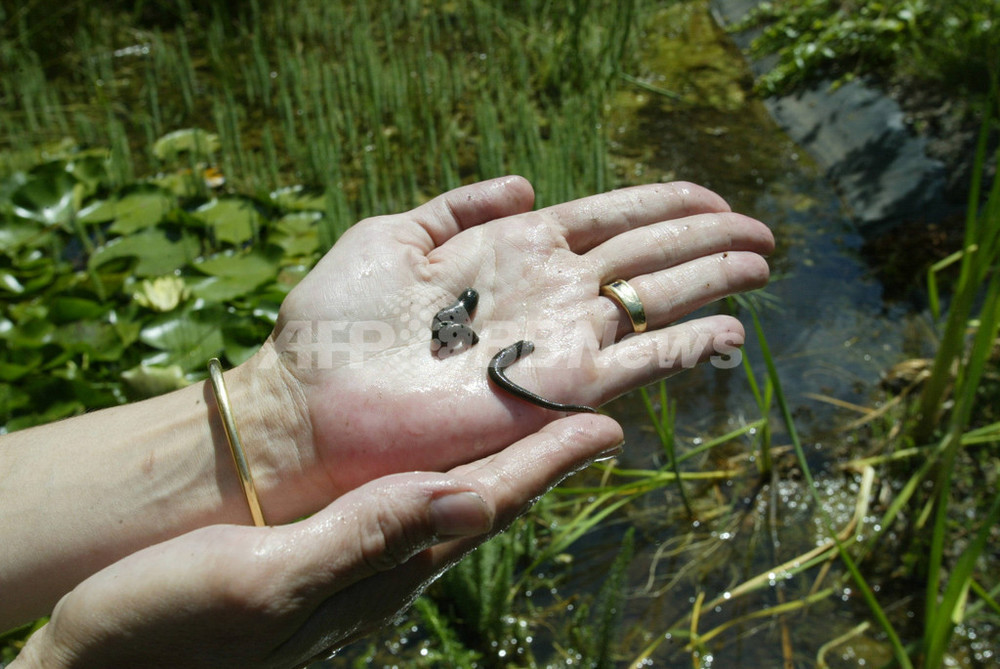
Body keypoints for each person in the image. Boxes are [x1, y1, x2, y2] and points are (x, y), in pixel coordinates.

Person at [1, 176, 774, 667]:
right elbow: (456, 333)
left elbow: (458, 331)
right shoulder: (459, 327)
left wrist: (275, 409)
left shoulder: (463, 324)